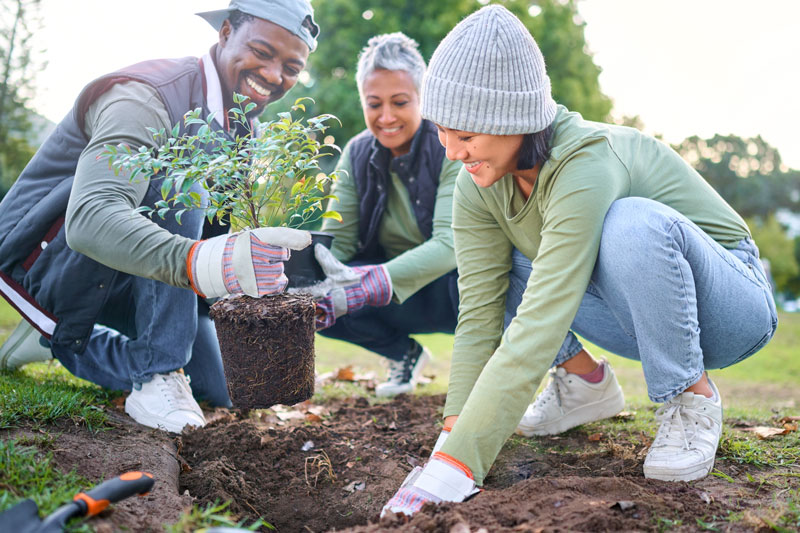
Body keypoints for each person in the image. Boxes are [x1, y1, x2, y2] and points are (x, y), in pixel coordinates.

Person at [382, 5, 777, 516]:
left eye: (466, 135)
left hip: (730, 306)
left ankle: (691, 396)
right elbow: (480, 312)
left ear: (513, 119)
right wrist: (452, 439)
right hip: (633, 314)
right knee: (482, 277)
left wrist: (460, 467)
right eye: (442, 131)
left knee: (628, 224)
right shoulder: (477, 184)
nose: (451, 151)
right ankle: (584, 383)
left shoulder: (586, 158)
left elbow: (547, 309)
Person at [0, 0, 320, 434]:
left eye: (291, 67)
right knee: (182, 183)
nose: (273, 75)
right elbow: (91, 218)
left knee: (223, 383)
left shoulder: (243, 128)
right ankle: (155, 375)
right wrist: (202, 263)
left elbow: (213, 232)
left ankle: (61, 340)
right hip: (45, 256)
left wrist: (289, 277)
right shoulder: (146, 94)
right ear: (225, 32)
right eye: (262, 52)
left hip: (138, 273)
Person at [313, 33, 462, 397]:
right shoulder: (357, 152)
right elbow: (338, 242)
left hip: (454, 287)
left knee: (490, 276)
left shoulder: (451, 144)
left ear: (422, 99)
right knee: (314, 298)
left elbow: (450, 245)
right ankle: (403, 353)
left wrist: (372, 282)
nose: (386, 116)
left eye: (400, 102)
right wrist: (301, 282)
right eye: (374, 103)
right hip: (392, 293)